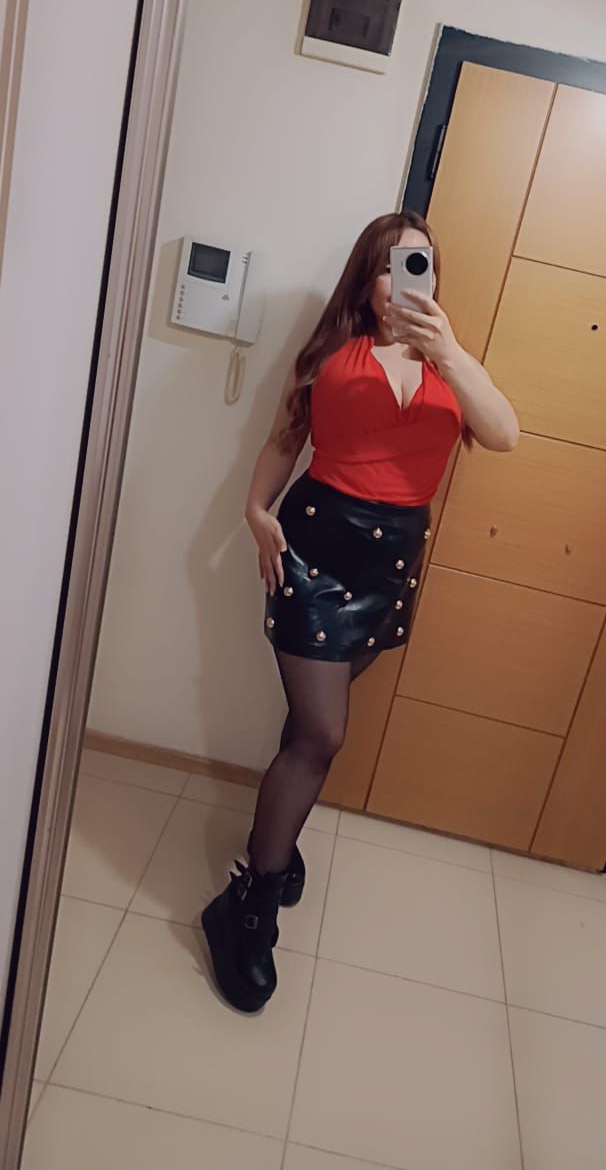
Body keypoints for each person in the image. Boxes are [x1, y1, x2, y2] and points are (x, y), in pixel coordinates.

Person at [202, 211, 519, 1012]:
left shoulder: (452, 362)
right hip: (315, 549)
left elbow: (505, 434)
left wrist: (449, 352)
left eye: (421, 264)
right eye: (390, 265)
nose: (406, 280)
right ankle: (248, 906)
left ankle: (277, 841)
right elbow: (285, 438)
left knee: (311, 729)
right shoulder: (331, 353)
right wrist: (253, 510)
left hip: (392, 564)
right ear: (365, 277)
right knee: (322, 733)